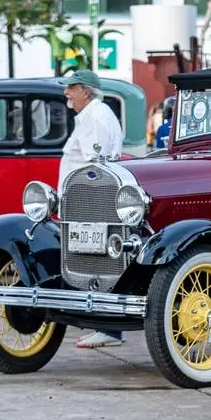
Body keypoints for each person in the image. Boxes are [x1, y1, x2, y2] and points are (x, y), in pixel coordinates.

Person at [56, 69, 126, 349]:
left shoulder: (96, 117)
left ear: (86, 91)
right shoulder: (93, 115)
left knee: (97, 262)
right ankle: (101, 325)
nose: (66, 93)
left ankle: (107, 328)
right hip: (83, 202)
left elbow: (94, 167)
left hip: (89, 202)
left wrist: (85, 207)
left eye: (71, 88)